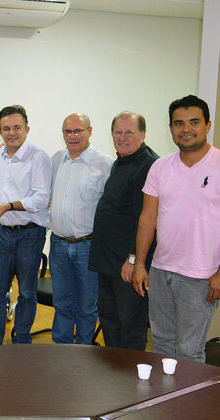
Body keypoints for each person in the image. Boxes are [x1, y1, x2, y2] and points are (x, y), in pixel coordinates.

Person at [133, 95, 220, 362]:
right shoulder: (160, 167)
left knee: (188, 351)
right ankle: (163, 401)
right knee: (161, 344)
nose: (186, 129)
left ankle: (187, 404)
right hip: (161, 271)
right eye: (178, 123)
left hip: (200, 275)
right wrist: (139, 264)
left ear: (207, 124)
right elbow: (148, 218)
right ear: (170, 128)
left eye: (194, 122)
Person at [88, 112, 159, 350]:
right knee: (110, 322)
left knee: (130, 327)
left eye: (129, 132)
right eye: (118, 132)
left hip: (127, 265)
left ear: (143, 134)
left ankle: (131, 381)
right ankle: (114, 377)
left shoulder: (148, 166)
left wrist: (133, 259)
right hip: (108, 263)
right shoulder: (121, 161)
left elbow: (147, 218)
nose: (123, 137)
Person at [0, 105, 52, 345]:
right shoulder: (0, 155)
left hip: (29, 236)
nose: (11, 133)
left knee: (26, 293)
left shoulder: (39, 157)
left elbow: (41, 198)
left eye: (17, 127)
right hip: (1, 234)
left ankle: (21, 343)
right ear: (0, 131)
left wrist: (9, 206)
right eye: (6, 128)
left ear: (27, 128)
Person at [48, 113, 112, 344]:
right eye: (68, 131)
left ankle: (84, 354)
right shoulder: (55, 160)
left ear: (90, 131)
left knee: (86, 306)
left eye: (78, 131)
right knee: (62, 303)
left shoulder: (105, 164)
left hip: (88, 246)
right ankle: (62, 350)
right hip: (57, 244)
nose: (72, 136)